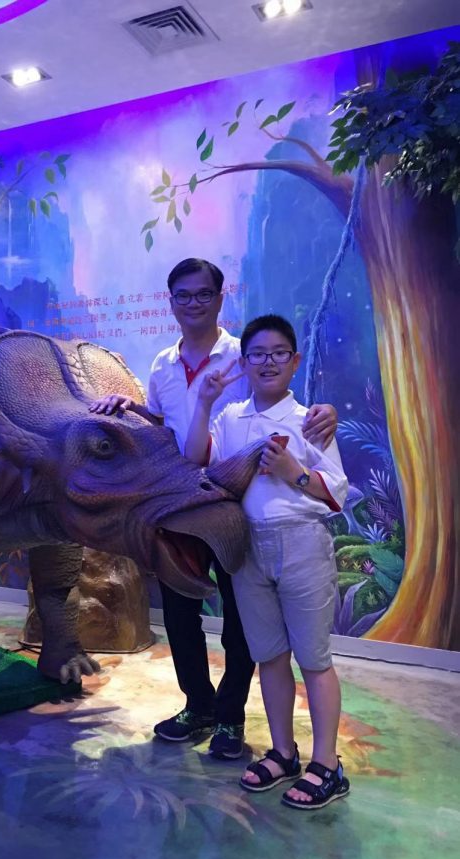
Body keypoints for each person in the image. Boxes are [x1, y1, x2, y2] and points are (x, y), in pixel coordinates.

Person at [90, 259, 337, 760]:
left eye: (204, 294)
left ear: (220, 298)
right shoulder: (162, 364)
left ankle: (229, 717)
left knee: (240, 615)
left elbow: (275, 403)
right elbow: (164, 424)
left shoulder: (244, 355)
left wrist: (325, 411)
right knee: (179, 610)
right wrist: (129, 406)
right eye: (183, 295)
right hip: (180, 501)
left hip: (234, 504)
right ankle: (197, 705)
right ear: (171, 302)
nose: (193, 303)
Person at [185, 313, 350, 809]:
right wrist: (203, 401)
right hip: (248, 548)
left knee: (314, 660)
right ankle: (283, 752)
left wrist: (292, 471)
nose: (268, 362)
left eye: (279, 353)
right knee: (270, 657)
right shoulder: (231, 418)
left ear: (294, 362)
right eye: (257, 354)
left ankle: (328, 765)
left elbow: (335, 493)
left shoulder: (310, 420)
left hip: (301, 544)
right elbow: (196, 457)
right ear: (244, 362)